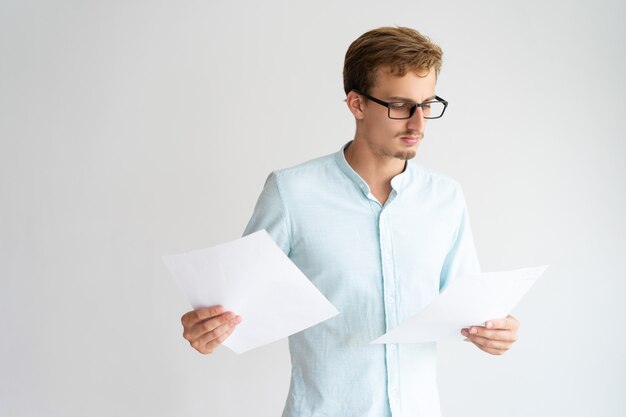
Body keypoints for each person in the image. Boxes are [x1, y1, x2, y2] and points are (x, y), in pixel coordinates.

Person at [180, 26, 519, 417]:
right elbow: (234, 306)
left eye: (427, 104)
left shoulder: (446, 198)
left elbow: (468, 307)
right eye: (400, 105)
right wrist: (206, 332)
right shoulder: (293, 192)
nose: (418, 124)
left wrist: (496, 330)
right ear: (357, 104)